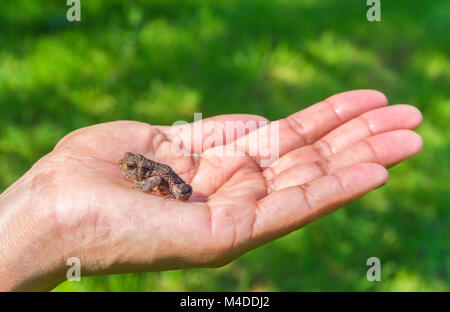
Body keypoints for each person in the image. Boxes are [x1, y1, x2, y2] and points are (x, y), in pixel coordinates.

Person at [0, 90, 423, 291]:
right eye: (130, 166)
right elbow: (149, 176)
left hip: (179, 185)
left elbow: (161, 182)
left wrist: (153, 188)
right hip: (171, 178)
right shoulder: (144, 168)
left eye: (130, 166)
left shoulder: (152, 172)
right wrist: (51, 217)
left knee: (177, 188)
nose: (128, 169)